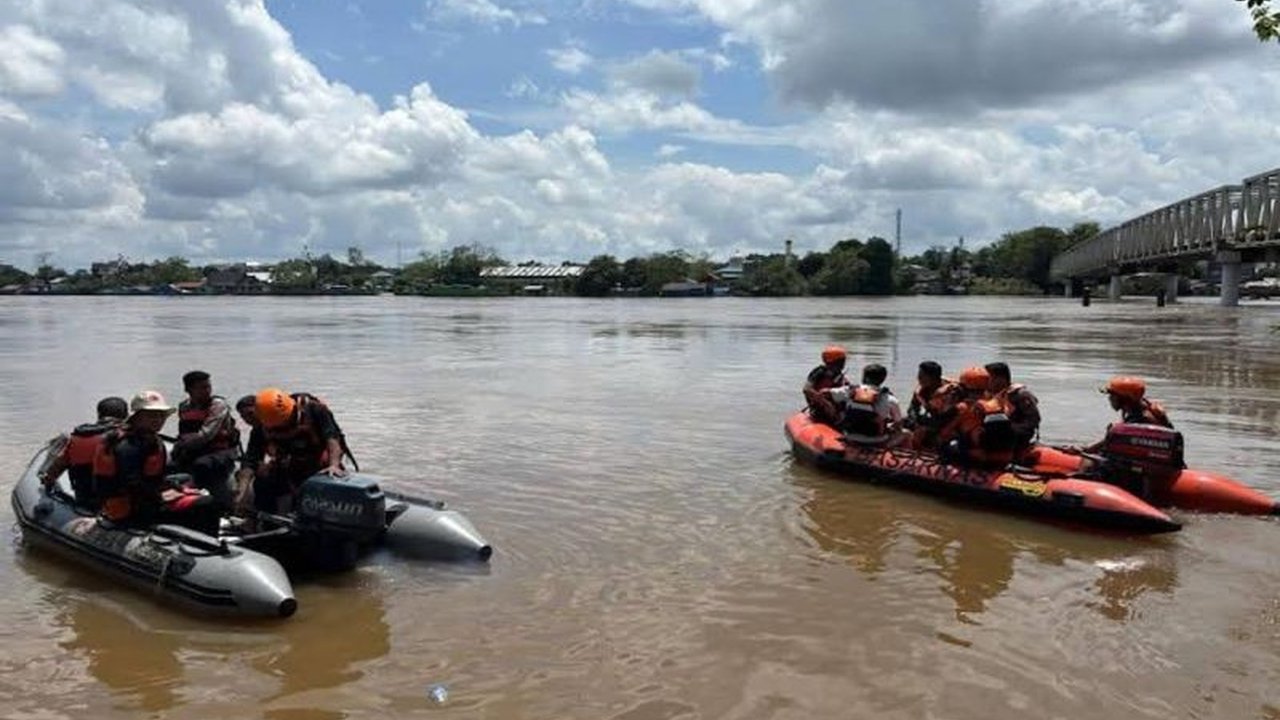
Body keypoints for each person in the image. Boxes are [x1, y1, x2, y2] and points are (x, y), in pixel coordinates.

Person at [93, 390, 219, 535]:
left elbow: (151, 479)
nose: (158, 420)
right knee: (207, 503)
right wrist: (160, 496)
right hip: (130, 511)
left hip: (139, 502)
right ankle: (206, 547)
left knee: (186, 483)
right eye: (152, 415)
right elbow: (130, 484)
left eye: (161, 415)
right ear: (137, 416)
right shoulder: (128, 445)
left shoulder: (144, 438)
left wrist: (178, 489)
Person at [243, 388, 353, 514]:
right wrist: (242, 490)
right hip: (288, 462)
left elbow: (332, 437)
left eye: (284, 422)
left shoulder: (314, 410)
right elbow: (251, 458)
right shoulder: (262, 423)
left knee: (323, 488)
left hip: (317, 461)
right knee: (263, 482)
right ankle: (265, 521)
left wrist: (334, 465)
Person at [37, 396, 129, 508]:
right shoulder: (128, 437)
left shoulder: (77, 438)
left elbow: (55, 470)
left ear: (99, 415)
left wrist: (47, 482)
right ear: (125, 416)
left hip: (85, 502)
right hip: (120, 507)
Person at [171, 370, 240, 511]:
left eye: (208, 386)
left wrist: (183, 443)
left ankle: (212, 501)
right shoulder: (184, 407)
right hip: (196, 448)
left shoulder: (218, 405)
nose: (207, 391)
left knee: (202, 464)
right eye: (201, 388)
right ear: (188, 389)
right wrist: (180, 446)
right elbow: (184, 432)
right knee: (172, 464)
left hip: (220, 450)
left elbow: (206, 435)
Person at [939, 366, 1017, 468]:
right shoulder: (1000, 403)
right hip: (1005, 459)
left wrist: (948, 404)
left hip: (979, 459)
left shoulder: (963, 408)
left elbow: (942, 433)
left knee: (946, 446)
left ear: (963, 388)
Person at [828, 363, 904, 446]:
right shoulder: (890, 399)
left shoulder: (850, 390)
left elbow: (825, 393)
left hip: (850, 436)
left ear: (864, 377)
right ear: (883, 379)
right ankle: (904, 455)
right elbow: (898, 425)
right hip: (876, 440)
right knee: (907, 433)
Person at [984, 362, 1041, 451]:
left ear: (1000, 378)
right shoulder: (987, 394)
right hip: (998, 431)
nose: (985, 381)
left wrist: (1008, 430)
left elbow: (1033, 420)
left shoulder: (1020, 395)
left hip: (1018, 433)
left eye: (988, 378)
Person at [904, 361, 960, 450]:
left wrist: (926, 428)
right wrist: (914, 421)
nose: (918, 379)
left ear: (933, 378)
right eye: (919, 376)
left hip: (950, 422)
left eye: (922, 376)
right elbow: (913, 407)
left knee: (926, 432)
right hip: (933, 419)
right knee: (904, 421)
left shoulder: (951, 392)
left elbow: (950, 417)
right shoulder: (921, 390)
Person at [803, 345, 851, 426]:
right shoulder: (819, 372)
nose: (844, 363)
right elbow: (807, 389)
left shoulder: (838, 374)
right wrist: (826, 404)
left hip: (837, 409)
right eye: (842, 361)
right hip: (821, 410)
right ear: (836, 361)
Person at [1099, 376, 1172, 428]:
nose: (1109, 398)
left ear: (1124, 399)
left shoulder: (1137, 421)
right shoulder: (1149, 408)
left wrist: (1113, 431)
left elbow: (1093, 448)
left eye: (1112, 395)